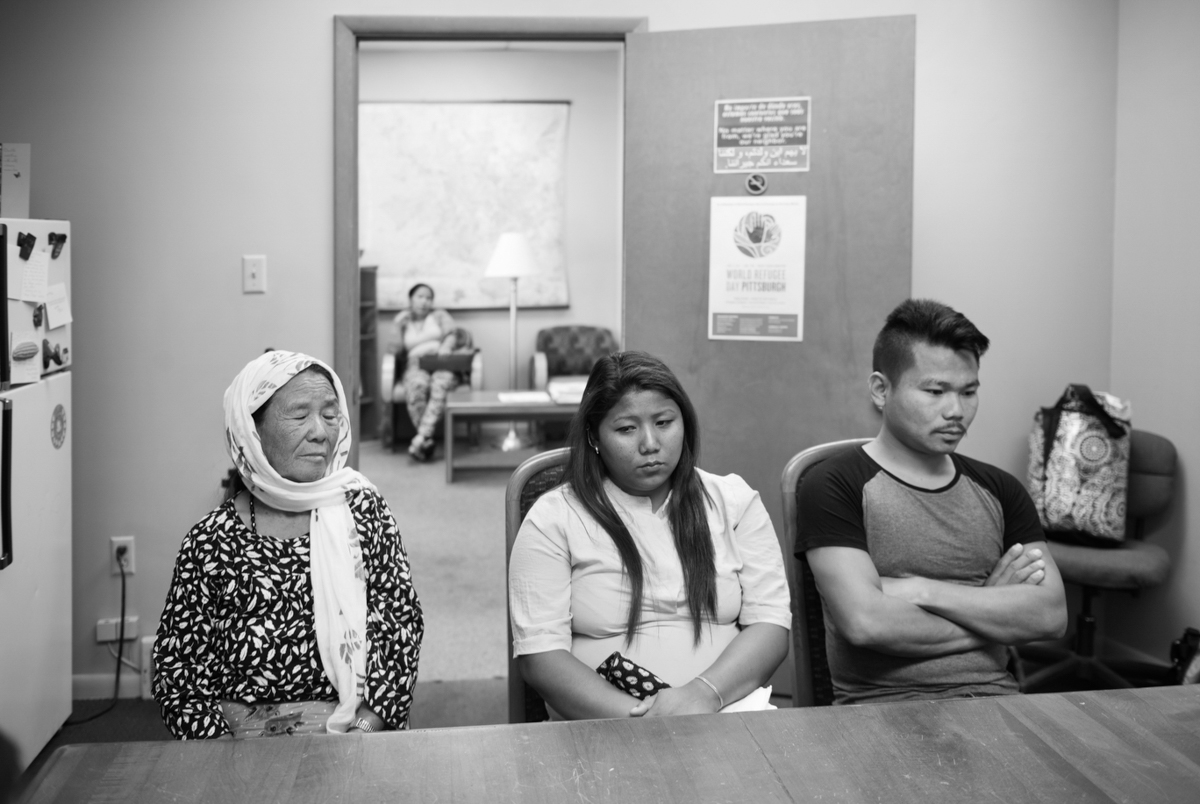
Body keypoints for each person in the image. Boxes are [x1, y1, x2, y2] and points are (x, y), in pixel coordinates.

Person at [796, 299, 1068, 704]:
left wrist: (921, 590)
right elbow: (866, 622)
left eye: (969, 391)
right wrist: (994, 610)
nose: (955, 411)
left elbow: (1050, 616)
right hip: (881, 709)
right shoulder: (833, 484)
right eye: (935, 391)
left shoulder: (1001, 489)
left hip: (1000, 700)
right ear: (880, 389)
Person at [154, 350, 423, 739]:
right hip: (240, 744)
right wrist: (223, 757)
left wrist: (366, 726)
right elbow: (178, 673)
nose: (320, 431)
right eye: (299, 416)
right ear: (252, 430)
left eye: (331, 415)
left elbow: (400, 627)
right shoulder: (210, 541)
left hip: (359, 730)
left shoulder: (364, 509)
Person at [509, 351, 790, 720]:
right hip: (606, 728)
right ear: (594, 436)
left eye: (664, 422)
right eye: (626, 429)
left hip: (726, 714)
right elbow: (540, 656)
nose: (650, 444)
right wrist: (647, 721)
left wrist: (703, 695)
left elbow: (771, 625)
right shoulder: (554, 518)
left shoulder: (733, 501)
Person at [393, 283, 459, 461]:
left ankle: (421, 438)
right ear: (411, 299)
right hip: (415, 364)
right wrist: (397, 325)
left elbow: (452, 334)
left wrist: (446, 346)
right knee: (416, 385)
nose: (424, 301)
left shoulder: (439, 315)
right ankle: (425, 439)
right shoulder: (404, 321)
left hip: (440, 361)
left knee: (441, 384)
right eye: (420, 297)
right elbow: (396, 349)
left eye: (428, 298)